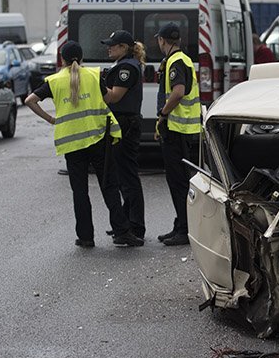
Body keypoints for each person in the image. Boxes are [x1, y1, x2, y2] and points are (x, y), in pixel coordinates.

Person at [24, 41, 143, 248]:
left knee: (80, 191)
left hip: (71, 143)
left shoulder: (53, 81)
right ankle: (122, 232)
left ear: (62, 59)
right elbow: (108, 99)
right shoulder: (94, 76)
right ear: (82, 57)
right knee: (109, 186)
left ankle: (86, 237)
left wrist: (51, 119)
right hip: (98, 139)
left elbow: (29, 100)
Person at [153, 24, 201, 246]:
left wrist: (163, 113)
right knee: (179, 182)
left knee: (178, 182)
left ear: (163, 40)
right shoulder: (182, 59)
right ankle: (180, 225)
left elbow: (178, 92)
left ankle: (184, 229)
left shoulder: (176, 61)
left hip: (178, 131)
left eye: (159, 40)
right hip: (183, 130)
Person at [101, 29, 146, 240]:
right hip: (123, 124)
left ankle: (135, 226)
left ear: (124, 47)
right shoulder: (122, 65)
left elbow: (114, 97)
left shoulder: (126, 68)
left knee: (128, 177)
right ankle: (127, 221)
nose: (109, 48)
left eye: (113, 45)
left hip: (125, 125)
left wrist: (97, 83)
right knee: (122, 176)